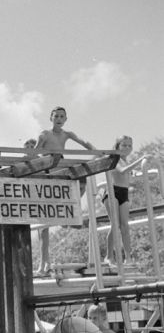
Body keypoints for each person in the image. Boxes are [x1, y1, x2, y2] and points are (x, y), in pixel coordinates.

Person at [33, 106, 95, 276]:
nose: (59, 119)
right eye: (56, 116)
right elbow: (34, 153)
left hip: (62, 172)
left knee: (80, 181)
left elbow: (84, 142)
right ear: (51, 118)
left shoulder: (68, 134)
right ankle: (43, 262)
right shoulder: (45, 134)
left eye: (62, 116)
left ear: (65, 119)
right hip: (49, 173)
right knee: (42, 226)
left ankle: (67, 217)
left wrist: (96, 151)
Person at [102, 135, 147, 267]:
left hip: (124, 193)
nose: (127, 148)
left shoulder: (126, 161)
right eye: (124, 145)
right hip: (112, 192)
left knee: (125, 226)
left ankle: (128, 257)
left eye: (129, 145)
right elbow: (121, 172)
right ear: (117, 146)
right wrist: (141, 160)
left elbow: (128, 174)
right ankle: (109, 256)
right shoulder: (114, 158)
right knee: (115, 224)